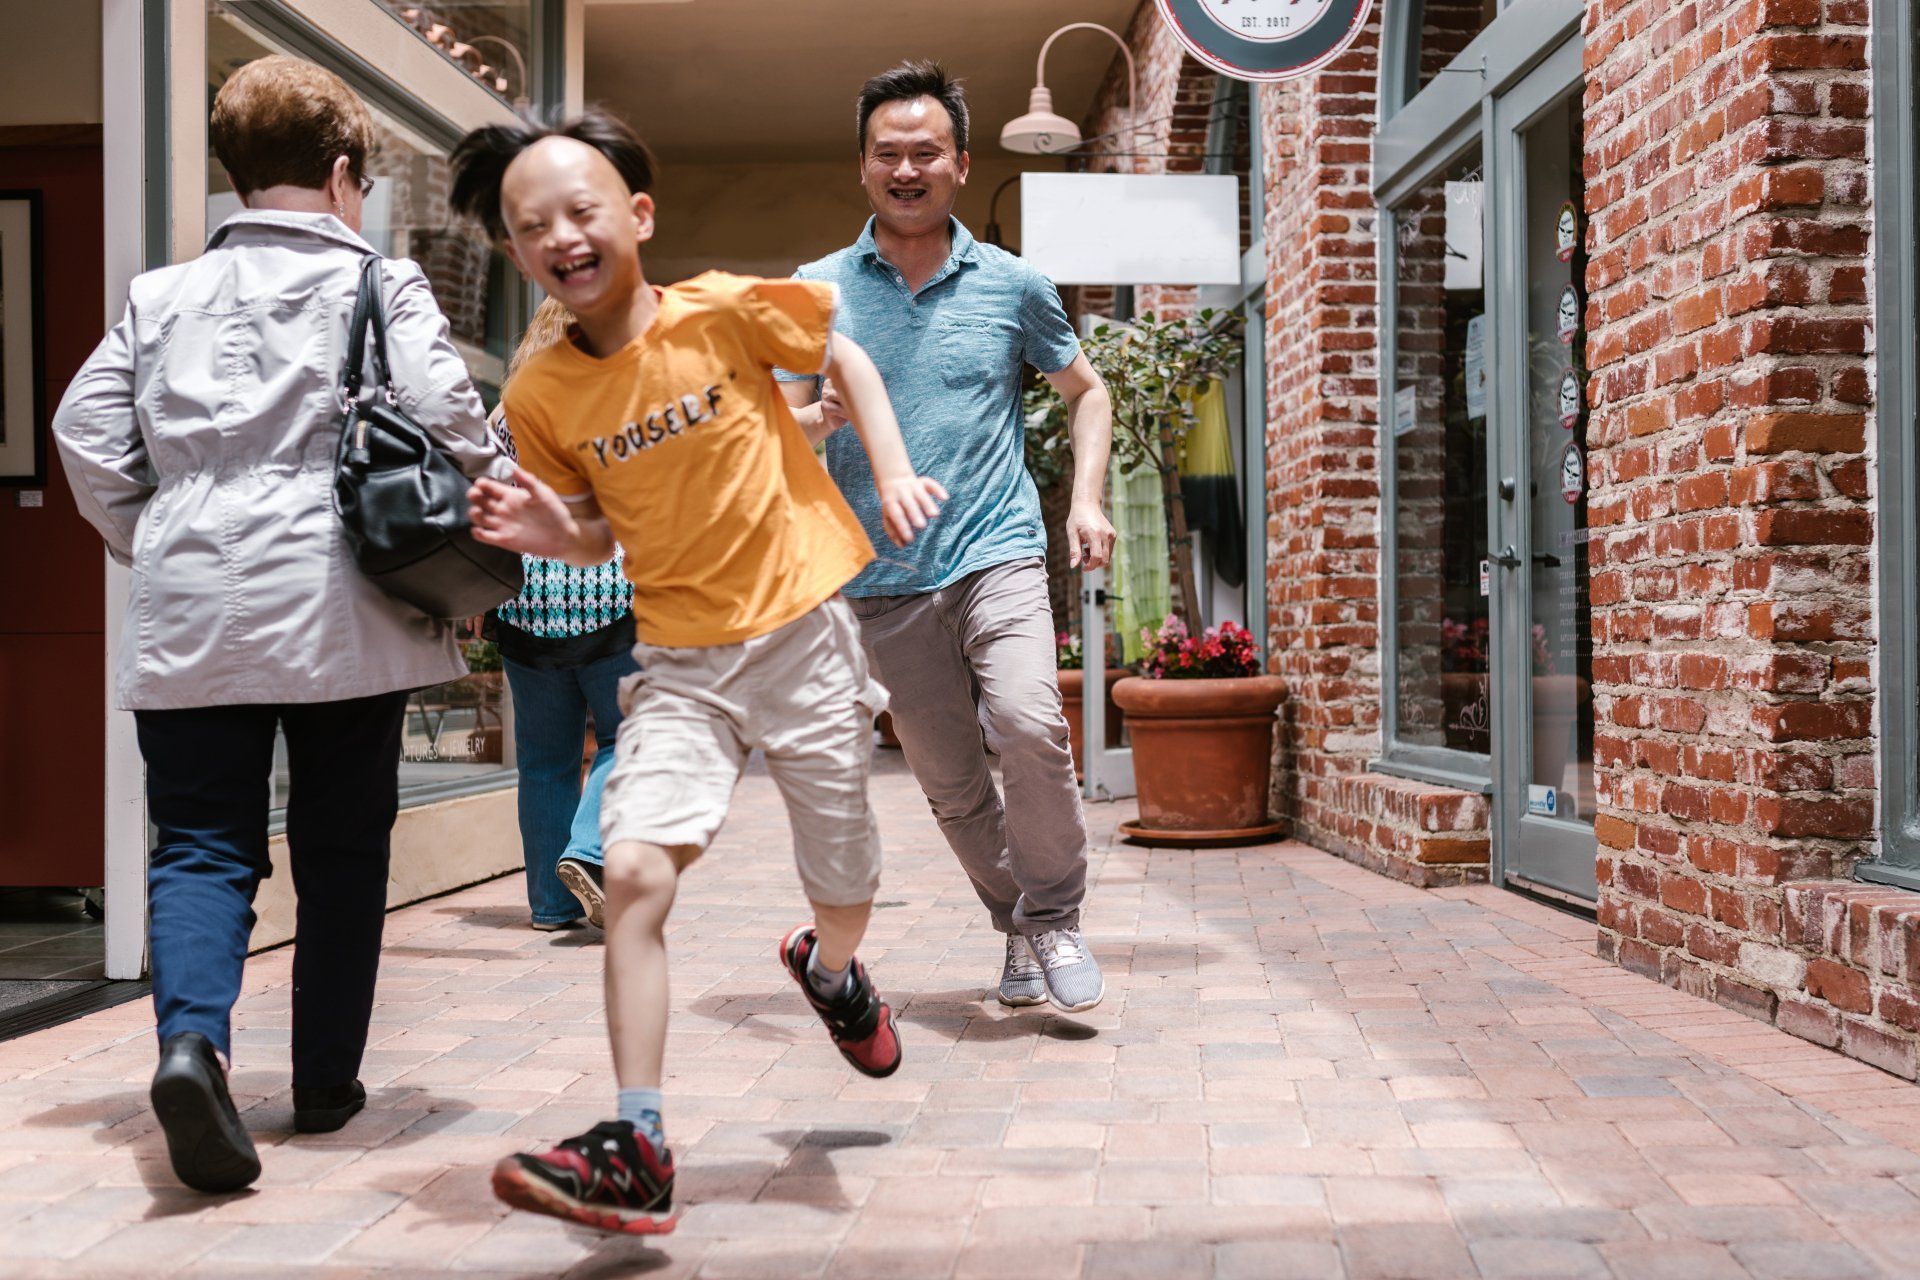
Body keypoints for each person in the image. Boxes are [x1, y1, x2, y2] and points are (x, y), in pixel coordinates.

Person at [448, 107, 945, 1234]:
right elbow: (594, 533)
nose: (562, 236)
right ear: (519, 254)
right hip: (679, 663)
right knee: (631, 872)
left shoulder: (720, 309)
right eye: (534, 227)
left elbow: (843, 354)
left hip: (804, 634)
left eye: (581, 210)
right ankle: (638, 1144)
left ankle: (831, 970)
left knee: (845, 888)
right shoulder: (540, 396)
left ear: (637, 215)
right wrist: (552, 528)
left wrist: (891, 469)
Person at [51, 56, 509, 1194]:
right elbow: (451, 415)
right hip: (343, 600)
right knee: (345, 846)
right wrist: (500, 504)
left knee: (201, 841)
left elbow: (83, 429)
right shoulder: (382, 283)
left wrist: (153, 530)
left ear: (237, 172)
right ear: (345, 172)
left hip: (192, 598)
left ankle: (193, 1046)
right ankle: (324, 1082)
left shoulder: (159, 297)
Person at [779, 61, 1117, 1013]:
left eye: (925, 152)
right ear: (862, 166)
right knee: (952, 783)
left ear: (961, 164)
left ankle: (1056, 917)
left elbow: (1087, 391)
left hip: (996, 548)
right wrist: (818, 421)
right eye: (887, 153)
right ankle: (1019, 926)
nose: (906, 169)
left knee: (1030, 725)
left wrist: (1086, 501)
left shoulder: (1014, 284)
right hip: (879, 578)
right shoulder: (813, 292)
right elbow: (771, 428)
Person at [491, 298, 636, 933]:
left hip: (525, 603)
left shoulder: (507, 414)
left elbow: (485, 504)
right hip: (612, 597)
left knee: (544, 761)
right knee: (629, 738)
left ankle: (551, 906)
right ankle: (589, 852)